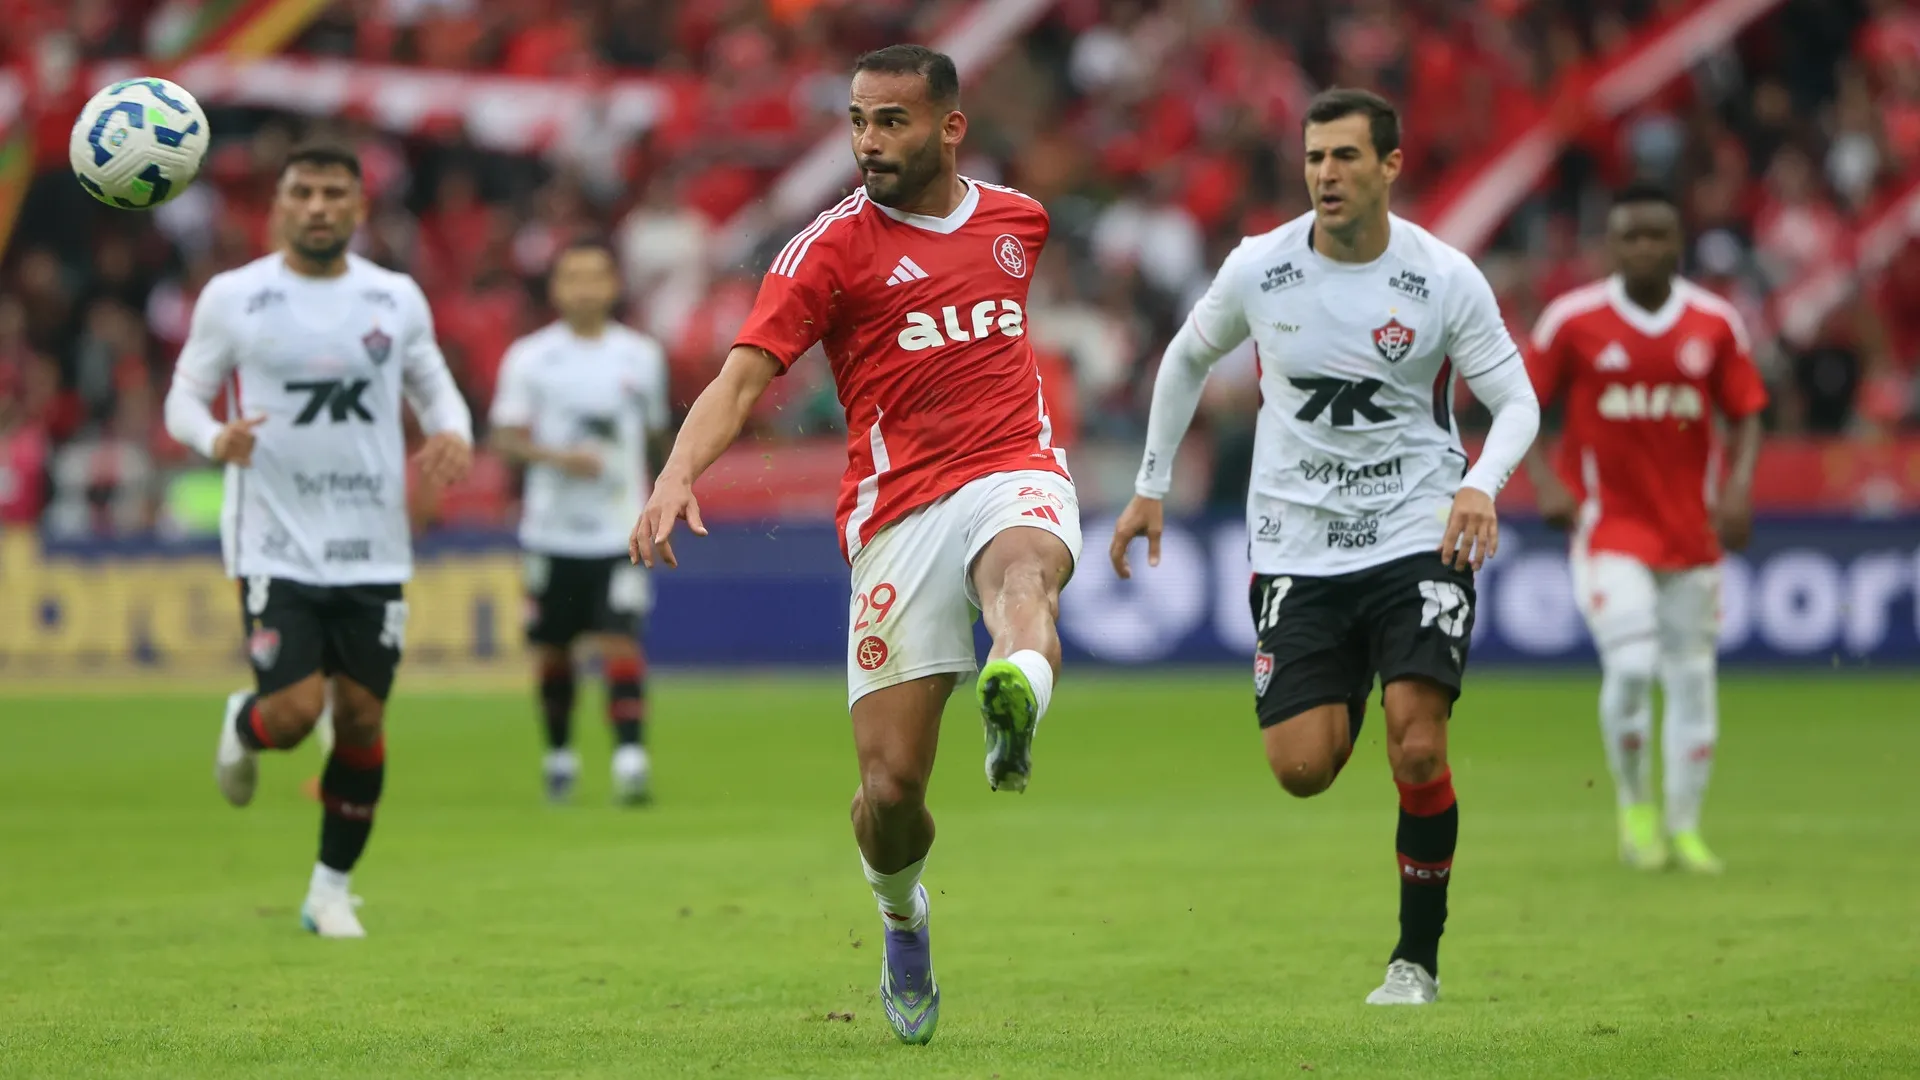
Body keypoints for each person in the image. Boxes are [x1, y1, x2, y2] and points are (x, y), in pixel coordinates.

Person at [630, 44, 1078, 1044]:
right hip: (895, 513)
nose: (869, 142)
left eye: (892, 122)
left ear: (950, 128)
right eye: (858, 122)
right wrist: (675, 472)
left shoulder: (1018, 221)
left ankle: (1016, 695)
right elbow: (743, 379)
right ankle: (902, 915)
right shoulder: (826, 251)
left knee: (1023, 576)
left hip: (1012, 468)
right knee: (889, 792)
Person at [1108, 88, 1540, 1005]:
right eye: (1314, 158)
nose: (1326, 174)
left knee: (1416, 746)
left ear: (1390, 165)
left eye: (1345, 156)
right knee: (1302, 769)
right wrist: (1150, 486)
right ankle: (1348, 676)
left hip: (1418, 527)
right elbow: (1186, 358)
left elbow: (1517, 403)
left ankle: (1415, 961)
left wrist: (1480, 484)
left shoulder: (1444, 277)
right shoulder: (1260, 267)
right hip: (1297, 542)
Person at [162, 140, 473, 939]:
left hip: (372, 541)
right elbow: (183, 399)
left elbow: (436, 387)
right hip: (275, 540)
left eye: (335, 193)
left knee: (362, 718)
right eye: (303, 192)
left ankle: (330, 891)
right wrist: (214, 438)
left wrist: (453, 433)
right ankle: (247, 723)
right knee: (297, 714)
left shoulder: (393, 297)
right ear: (278, 205)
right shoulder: (234, 298)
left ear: (360, 206)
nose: (319, 207)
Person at [1525, 183, 1766, 874]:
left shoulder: (1714, 323)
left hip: (1691, 531)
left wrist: (1738, 488)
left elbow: (1747, 410)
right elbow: (1522, 402)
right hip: (1608, 527)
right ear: (1611, 244)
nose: (1643, 248)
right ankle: (1635, 809)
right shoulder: (1573, 321)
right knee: (1632, 667)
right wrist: (1545, 481)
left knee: (1692, 678)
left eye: (1656, 235)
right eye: (1630, 236)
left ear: (1677, 243)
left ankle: (1684, 828)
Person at [489, 238, 671, 805]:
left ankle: (630, 761)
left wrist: (665, 498)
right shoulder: (530, 357)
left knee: (620, 639)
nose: (585, 288)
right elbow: (504, 438)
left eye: (596, 276)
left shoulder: (641, 356)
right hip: (551, 532)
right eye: (573, 277)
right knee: (553, 649)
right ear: (556, 288)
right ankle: (560, 757)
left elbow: (657, 437)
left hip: (621, 529)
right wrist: (557, 457)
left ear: (614, 285)